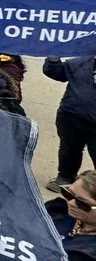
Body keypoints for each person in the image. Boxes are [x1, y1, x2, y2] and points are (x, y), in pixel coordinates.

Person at [43, 55, 96, 192]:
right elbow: (57, 72)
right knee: (69, 148)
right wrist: (53, 59)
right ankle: (65, 177)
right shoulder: (82, 61)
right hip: (70, 115)